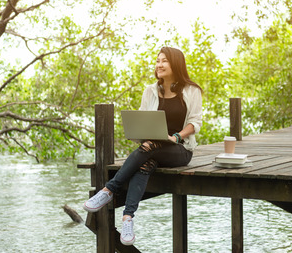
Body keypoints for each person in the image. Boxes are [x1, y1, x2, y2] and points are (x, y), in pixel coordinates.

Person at [83, 47, 203, 246]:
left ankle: (109, 190)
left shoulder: (192, 91)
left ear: (176, 63)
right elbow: (142, 120)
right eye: (157, 61)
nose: (159, 65)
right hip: (152, 148)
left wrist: (175, 137)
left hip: (180, 150)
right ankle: (128, 218)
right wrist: (144, 134)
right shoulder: (150, 91)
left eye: (164, 61)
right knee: (147, 162)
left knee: (150, 148)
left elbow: (195, 122)